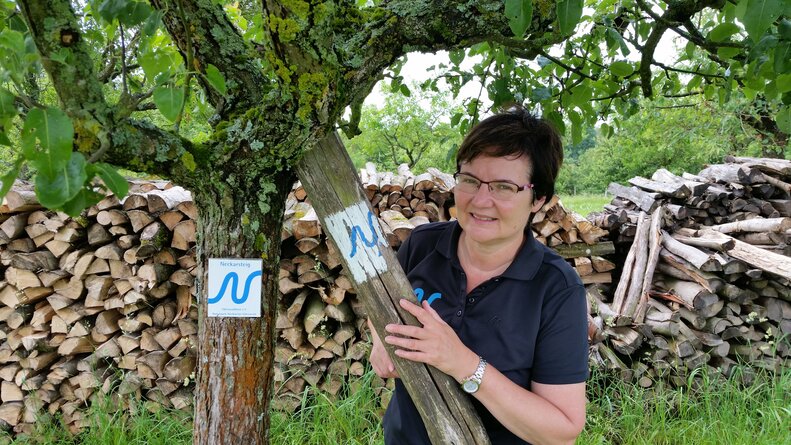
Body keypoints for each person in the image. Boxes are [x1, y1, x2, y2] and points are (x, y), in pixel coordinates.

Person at [367, 106, 589, 445]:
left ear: (537, 199)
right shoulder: (422, 245)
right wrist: (380, 339)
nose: (480, 200)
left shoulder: (556, 289)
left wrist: (465, 364)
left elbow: (561, 430)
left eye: (503, 186)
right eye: (470, 180)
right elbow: (381, 300)